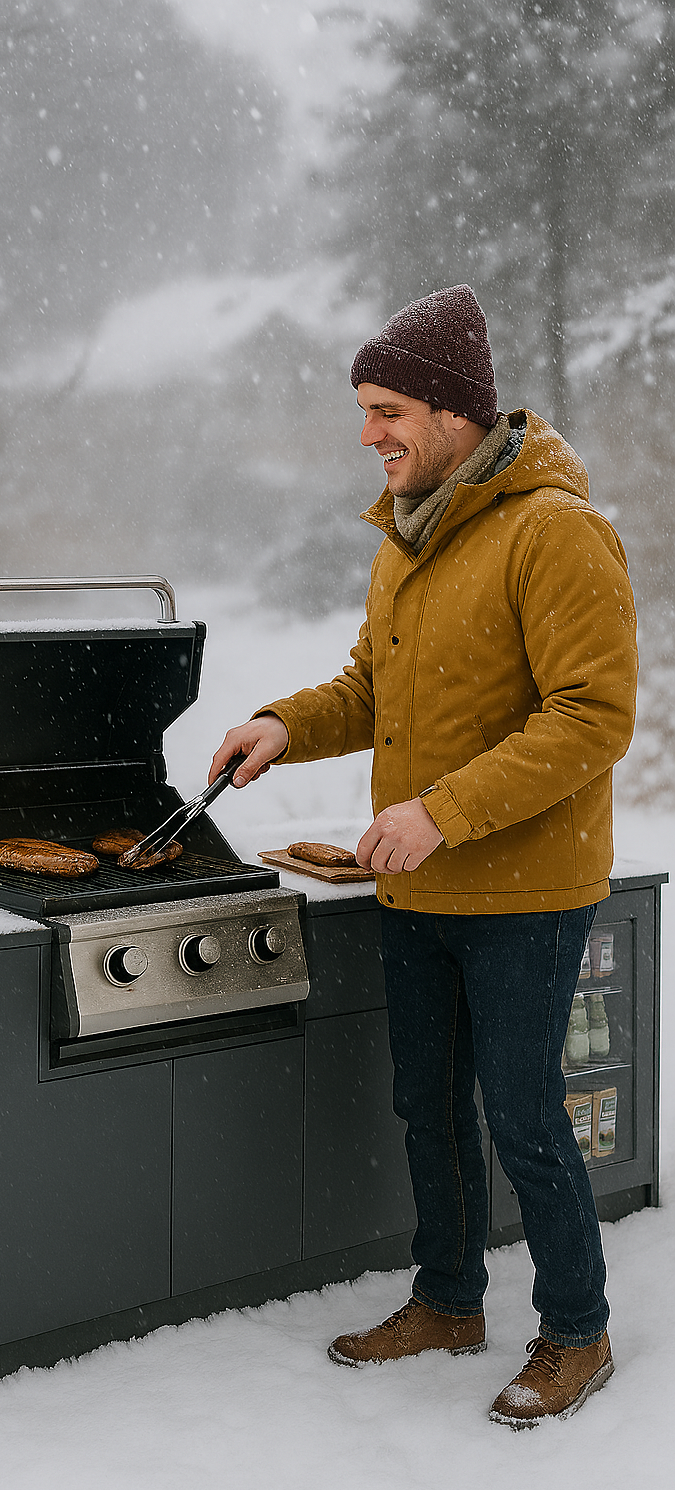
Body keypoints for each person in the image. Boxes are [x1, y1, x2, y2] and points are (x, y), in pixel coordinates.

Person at [210, 284, 638, 1427]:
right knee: (427, 1108)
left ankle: (576, 1333)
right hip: (418, 887)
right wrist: (287, 725)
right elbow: (372, 687)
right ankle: (448, 1299)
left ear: (455, 410)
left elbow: (591, 716)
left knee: (523, 1117)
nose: (370, 435)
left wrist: (442, 810)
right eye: (363, 409)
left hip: (521, 889)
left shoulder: (557, 534)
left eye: (388, 408)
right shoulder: (406, 537)